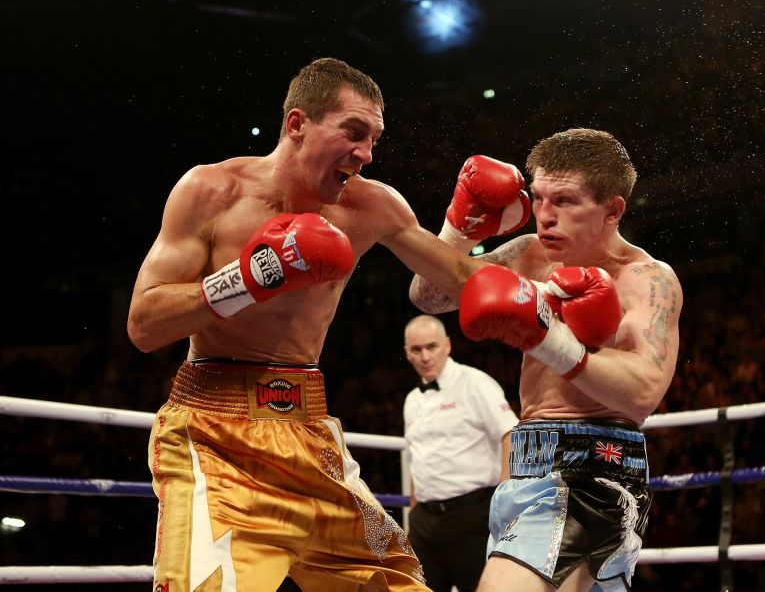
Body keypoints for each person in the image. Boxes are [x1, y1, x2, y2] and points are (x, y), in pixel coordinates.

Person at [126, 58, 528, 592]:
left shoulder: (372, 205)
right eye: (353, 132)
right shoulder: (211, 191)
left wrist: (532, 258)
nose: (364, 154)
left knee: (397, 585)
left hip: (311, 432)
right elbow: (144, 323)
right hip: (215, 435)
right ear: (297, 125)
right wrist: (249, 277)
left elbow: (459, 279)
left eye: (374, 141)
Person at [409, 128, 683, 592]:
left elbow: (642, 392)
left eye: (565, 201)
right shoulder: (525, 254)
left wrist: (546, 337)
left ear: (612, 209)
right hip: (525, 467)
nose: (545, 216)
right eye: (537, 198)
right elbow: (429, 295)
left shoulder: (645, 279)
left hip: (592, 475)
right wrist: (459, 229)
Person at [402, 314, 519, 592]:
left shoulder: (474, 382)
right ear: (407, 353)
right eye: (416, 350)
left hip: (472, 516)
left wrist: (502, 500)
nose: (425, 356)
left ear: (448, 345)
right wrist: (415, 512)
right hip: (424, 523)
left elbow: (510, 433)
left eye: (432, 347)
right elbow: (419, 457)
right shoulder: (412, 400)